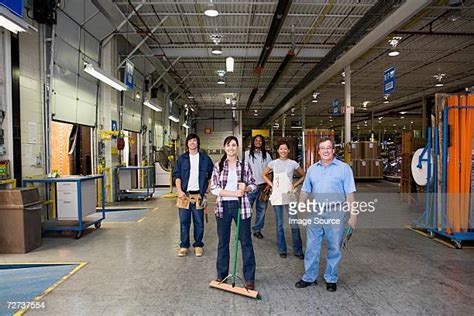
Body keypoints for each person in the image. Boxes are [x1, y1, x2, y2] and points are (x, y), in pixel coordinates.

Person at [295, 138, 357, 292]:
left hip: (336, 211)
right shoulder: (312, 169)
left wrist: (354, 214)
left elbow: (349, 193)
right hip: (315, 211)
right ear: (318, 151)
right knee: (311, 246)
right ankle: (309, 277)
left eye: (328, 148)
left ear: (333, 150)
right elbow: (305, 190)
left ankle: (331, 277)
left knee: (334, 246)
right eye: (322, 148)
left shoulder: (344, 168)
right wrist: (300, 207)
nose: (326, 150)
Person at [211, 136, 257, 290]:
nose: (231, 148)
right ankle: (221, 275)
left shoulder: (244, 166)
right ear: (225, 148)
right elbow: (214, 188)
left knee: (246, 242)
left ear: (237, 148)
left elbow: (253, 184)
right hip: (223, 207)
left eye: (234, 145)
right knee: (223, 242)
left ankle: (249, 278)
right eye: (228, 145)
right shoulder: (218, 166)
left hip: (241, 207)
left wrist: (246, 189)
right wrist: (232, 193)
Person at [172, 133, 214, 257]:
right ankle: (184, 246)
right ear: (187, 143)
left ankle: (198, 245)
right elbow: (177, 176)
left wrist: (208, 188)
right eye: (190, 141)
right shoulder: (182, 159)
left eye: (194, 141)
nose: (192, 143)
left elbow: (212, 174)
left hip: (198, 196)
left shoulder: (205, 159)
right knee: (184, 222)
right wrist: (179, 191)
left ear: (198, 143)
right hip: (184, 195)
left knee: (198, 222)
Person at [262, 141, 305, 259]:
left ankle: (298, 250)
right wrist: (271, 184)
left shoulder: (293, 163)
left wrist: (294, 185)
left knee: (293, 223)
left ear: (289, 150)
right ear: (278, 150)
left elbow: (303, 175)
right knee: (279, 224)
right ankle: (282, 249)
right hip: (277, 194)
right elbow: (264, 174)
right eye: (281, 149)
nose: (283, 151)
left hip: (288, 194)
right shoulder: (273, 163)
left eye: (285, 149)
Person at [244, 135, 272, 239]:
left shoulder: (267, 156)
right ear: (253, 142)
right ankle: (244, 230)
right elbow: (243, 170)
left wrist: (269, 184)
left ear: (263, 143)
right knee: (247, 209)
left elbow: (270, 171)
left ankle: (257, 230)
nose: (258, 142)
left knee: (262, 210)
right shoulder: (247, 154)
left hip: (263, 187)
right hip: (250, 187)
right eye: (256, 140)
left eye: (260, 140)